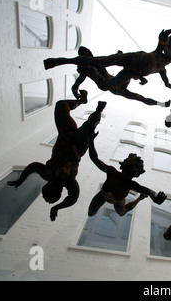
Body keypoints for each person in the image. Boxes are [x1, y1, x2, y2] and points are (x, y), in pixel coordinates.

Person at [43, 0, 171, 107]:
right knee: (100, 61)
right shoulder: (161, 49)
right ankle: (57, 61)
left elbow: (170, 80)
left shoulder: (164, 66)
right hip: (133, 58)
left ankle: (90, 70)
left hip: (131, 71)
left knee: (105, 86)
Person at [8, 91, 107, 221]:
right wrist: (56, 208)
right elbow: (73, 198)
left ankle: (81, 101)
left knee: (61, 105)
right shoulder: (69, 182)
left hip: (65, 134)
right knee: (89, 126)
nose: (49, 186)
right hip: (78, 145)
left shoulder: (47, 174)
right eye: (50, 190)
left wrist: (20, 180)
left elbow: (32, 167)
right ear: (57, 191)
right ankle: (99, 110)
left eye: (47, 188)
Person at [86, 132, 167, 217]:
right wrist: (91, 140)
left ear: (135, 173)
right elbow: (95, 159)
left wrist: (155, 196)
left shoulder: (131, 184)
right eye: (129, 167)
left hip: (117, 199)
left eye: (132, 169)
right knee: (91, 213)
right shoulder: (112, 172)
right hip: (105, 194)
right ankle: (139, 198)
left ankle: (139, 198)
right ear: (124, 165)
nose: (128, 172)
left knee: (121, 212)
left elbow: (150, 191)